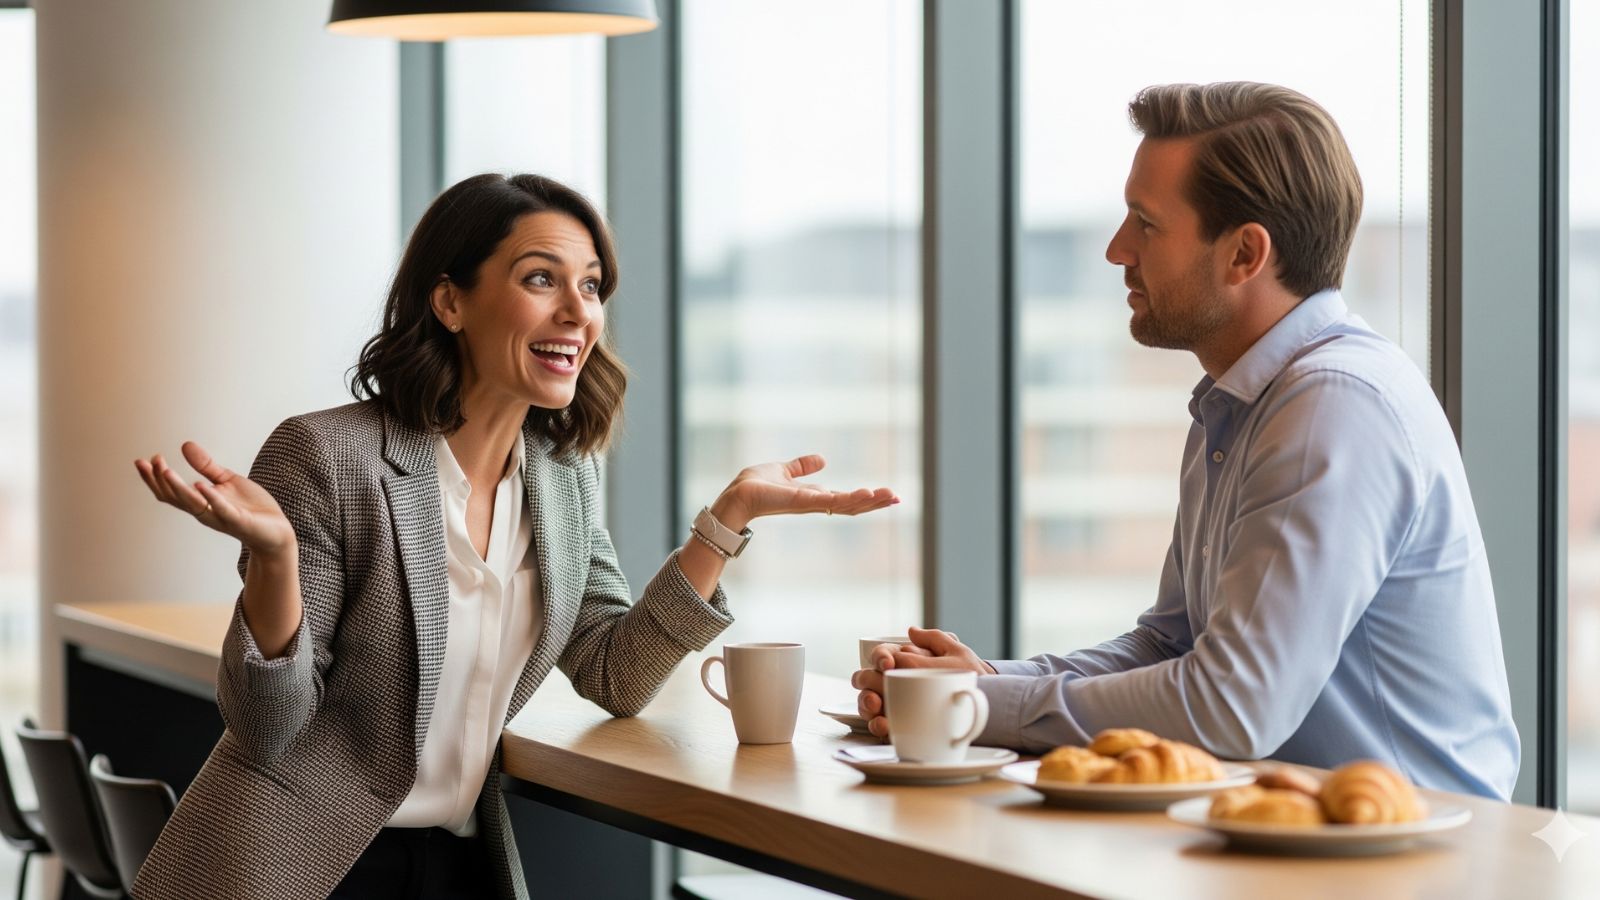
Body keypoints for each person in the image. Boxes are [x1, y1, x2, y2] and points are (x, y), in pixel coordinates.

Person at [130, 173, 899, 899]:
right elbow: (267, 726)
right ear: (450, 302)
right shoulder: (328, 457)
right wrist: (275, 560)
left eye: (591, 285)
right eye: (541, 279)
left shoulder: (562, 477)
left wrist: (725, 522)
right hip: (306, 865)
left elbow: (615, 674)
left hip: (462, 860)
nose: (578, 311)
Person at [853, 82, 1519, 800]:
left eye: (1145, 223)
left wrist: (977, 709)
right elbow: (1169, 646)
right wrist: (982, 682)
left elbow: (1233, 707)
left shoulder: (1334, 404)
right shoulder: (1238, 403)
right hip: (1294, 846)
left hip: (1417, 862)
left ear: (1244, 254)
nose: (1117, 249)